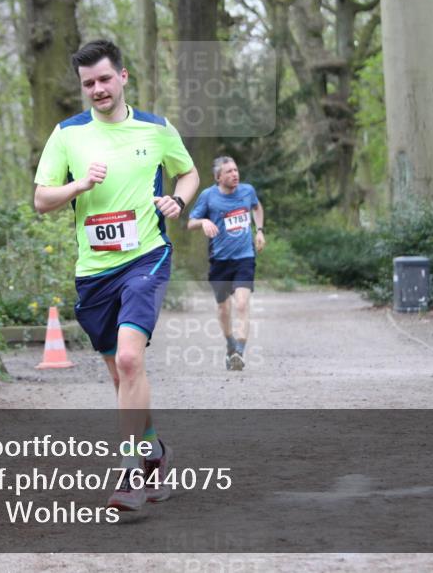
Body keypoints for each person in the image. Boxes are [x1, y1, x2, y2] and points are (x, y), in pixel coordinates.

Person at [33, 40, 199, 512]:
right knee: (120, 373)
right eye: (88, 83)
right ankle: (156, 453)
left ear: (123, 77)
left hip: (146, 256)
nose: (98, 89)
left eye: (105, 79)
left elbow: (188, 174)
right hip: (94, 271)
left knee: (129, 359)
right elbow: (42, 200)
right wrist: (79, 184)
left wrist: (178, 201)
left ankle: (130, 472)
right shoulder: (67, 135)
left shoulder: (156, 128)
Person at [187, 156, 265, 371]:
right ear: (218, 177)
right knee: (223, 308)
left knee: (241, 304)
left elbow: (257, 207)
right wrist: (204, 221)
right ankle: (230, 344)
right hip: (219, 260)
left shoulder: (247, 191)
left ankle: (239, 352)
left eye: (236, 170)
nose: (234, 174)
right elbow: (191, 222)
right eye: (229, 171)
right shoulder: (208, 196)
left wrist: (259, 230)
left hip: (244, 257)